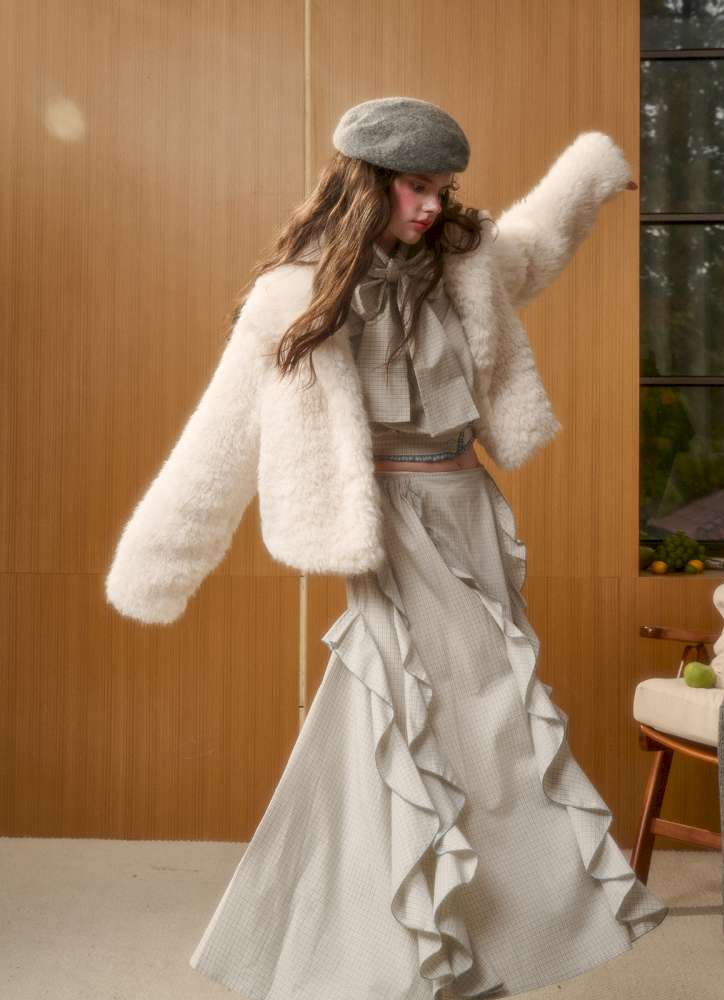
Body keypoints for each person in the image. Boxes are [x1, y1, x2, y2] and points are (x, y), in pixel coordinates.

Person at [105, 97, 668, 999]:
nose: (434, 206)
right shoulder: (294, 295)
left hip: (470, 509)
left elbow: (531, 247)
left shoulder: (462, 262)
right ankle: (468, 938)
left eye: (444, 188)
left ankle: (373, 948)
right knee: (479, 714)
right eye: (416, 187)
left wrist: (589, 177)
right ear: (365, 184)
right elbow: (222, 435)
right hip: (389, 525)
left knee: (395, 730)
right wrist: (161, 564)